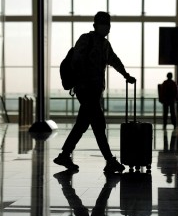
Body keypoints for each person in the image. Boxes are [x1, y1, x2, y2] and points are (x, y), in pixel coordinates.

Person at [53, 11, 136, 174]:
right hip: (85, 90)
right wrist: (81, 81)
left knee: (82, 124)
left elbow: (115, 60)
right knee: (99, 124)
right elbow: (76, 61)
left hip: (95, 91)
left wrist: (126, 75)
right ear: (95, 25)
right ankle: (110, 160)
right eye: (103, 24)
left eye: (108, 25)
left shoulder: (105, 45)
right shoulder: (86, 39)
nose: (106, 28)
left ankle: (64, 155)